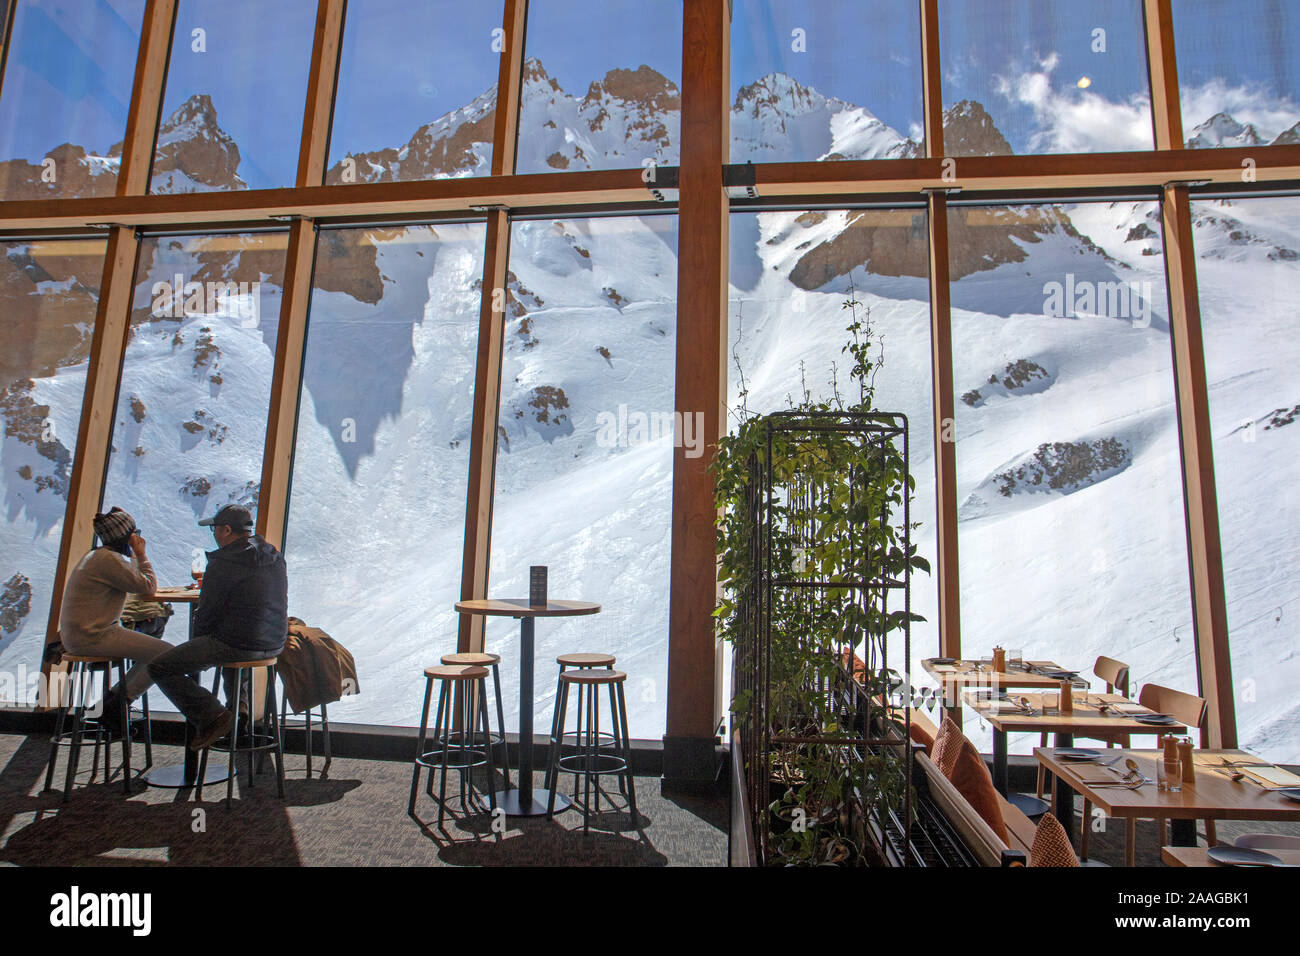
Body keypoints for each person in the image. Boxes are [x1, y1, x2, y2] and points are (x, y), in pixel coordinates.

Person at [147, 505, 288, 751]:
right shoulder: (273, 555)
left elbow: (208, 612)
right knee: (232, 646)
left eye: (215, 529)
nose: (213, 534)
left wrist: (198, 645)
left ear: (226, 530)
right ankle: (239, 713)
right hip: (274, 642)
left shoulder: (224, 561)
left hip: (240, 644)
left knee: (159, 667)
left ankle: (214, 717)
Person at [59, 507, 172, 726]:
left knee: (155, 652)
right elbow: (147, 587)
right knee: (166, 654)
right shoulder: (108, 560)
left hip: (79, 636)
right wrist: (140, 553)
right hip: (94, 636)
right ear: (126, 537)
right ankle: (115, 704)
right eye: (134, 534)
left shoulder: (95, 556)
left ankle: (112, 703)